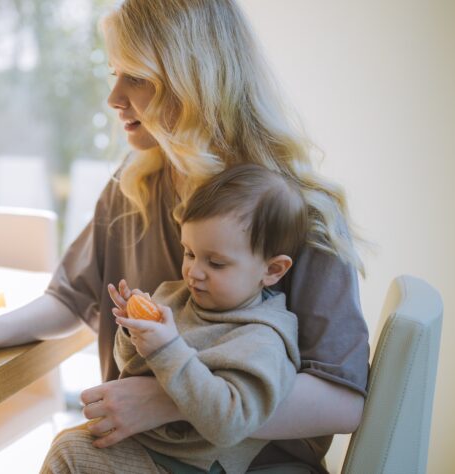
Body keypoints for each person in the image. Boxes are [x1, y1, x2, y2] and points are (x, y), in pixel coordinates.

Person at [0, 0, 369, 471]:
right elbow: (72, 297)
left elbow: (343, 400)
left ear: (194, 81)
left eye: (137, 78)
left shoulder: (298, 211)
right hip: (138, 453)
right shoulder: (135, 183)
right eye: (114, 74)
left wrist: (170, 401)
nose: (113, 98)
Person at [41, 164, 309, 474]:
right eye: (189, 253)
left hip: (190, 466)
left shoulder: (262, 339)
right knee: (71, 440)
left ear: (273, 270)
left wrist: (167, 348)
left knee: (70, 453)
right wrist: (134, 333)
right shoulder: (176, 296)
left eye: (216, 263)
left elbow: (230, 424)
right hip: (147, 446)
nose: (194, 272)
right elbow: (132, 370)